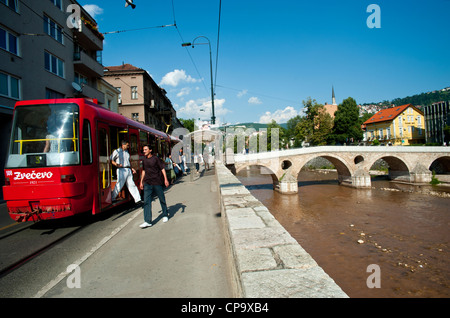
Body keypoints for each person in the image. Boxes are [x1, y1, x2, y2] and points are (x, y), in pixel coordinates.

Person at [139, 145, 170, 228]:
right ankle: (147, 221)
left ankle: (165, 215)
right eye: (143, 150)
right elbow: (144, 171)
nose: (144, 151)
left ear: (150, 150)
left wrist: (165, 179)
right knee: (146, 202)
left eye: (145, 149)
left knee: (161, 199)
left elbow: (162, 169)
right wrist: (141, 182)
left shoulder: (156, 159)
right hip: (147, 183)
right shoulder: (144, 160)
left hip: (157, 182)